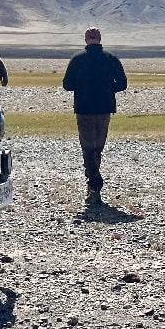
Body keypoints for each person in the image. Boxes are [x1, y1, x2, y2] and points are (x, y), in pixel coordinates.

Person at [62, 27, 128, 207]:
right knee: (97, 146)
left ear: (85, 40)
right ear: (100, 39)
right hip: (104, 108)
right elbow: (122, 83)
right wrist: (107, 89)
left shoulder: (77, 59)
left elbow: (67, 85)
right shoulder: (110, 59)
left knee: (88, 147)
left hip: (84, 109)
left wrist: (83, 88)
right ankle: (94, 184)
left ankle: (94, 184)